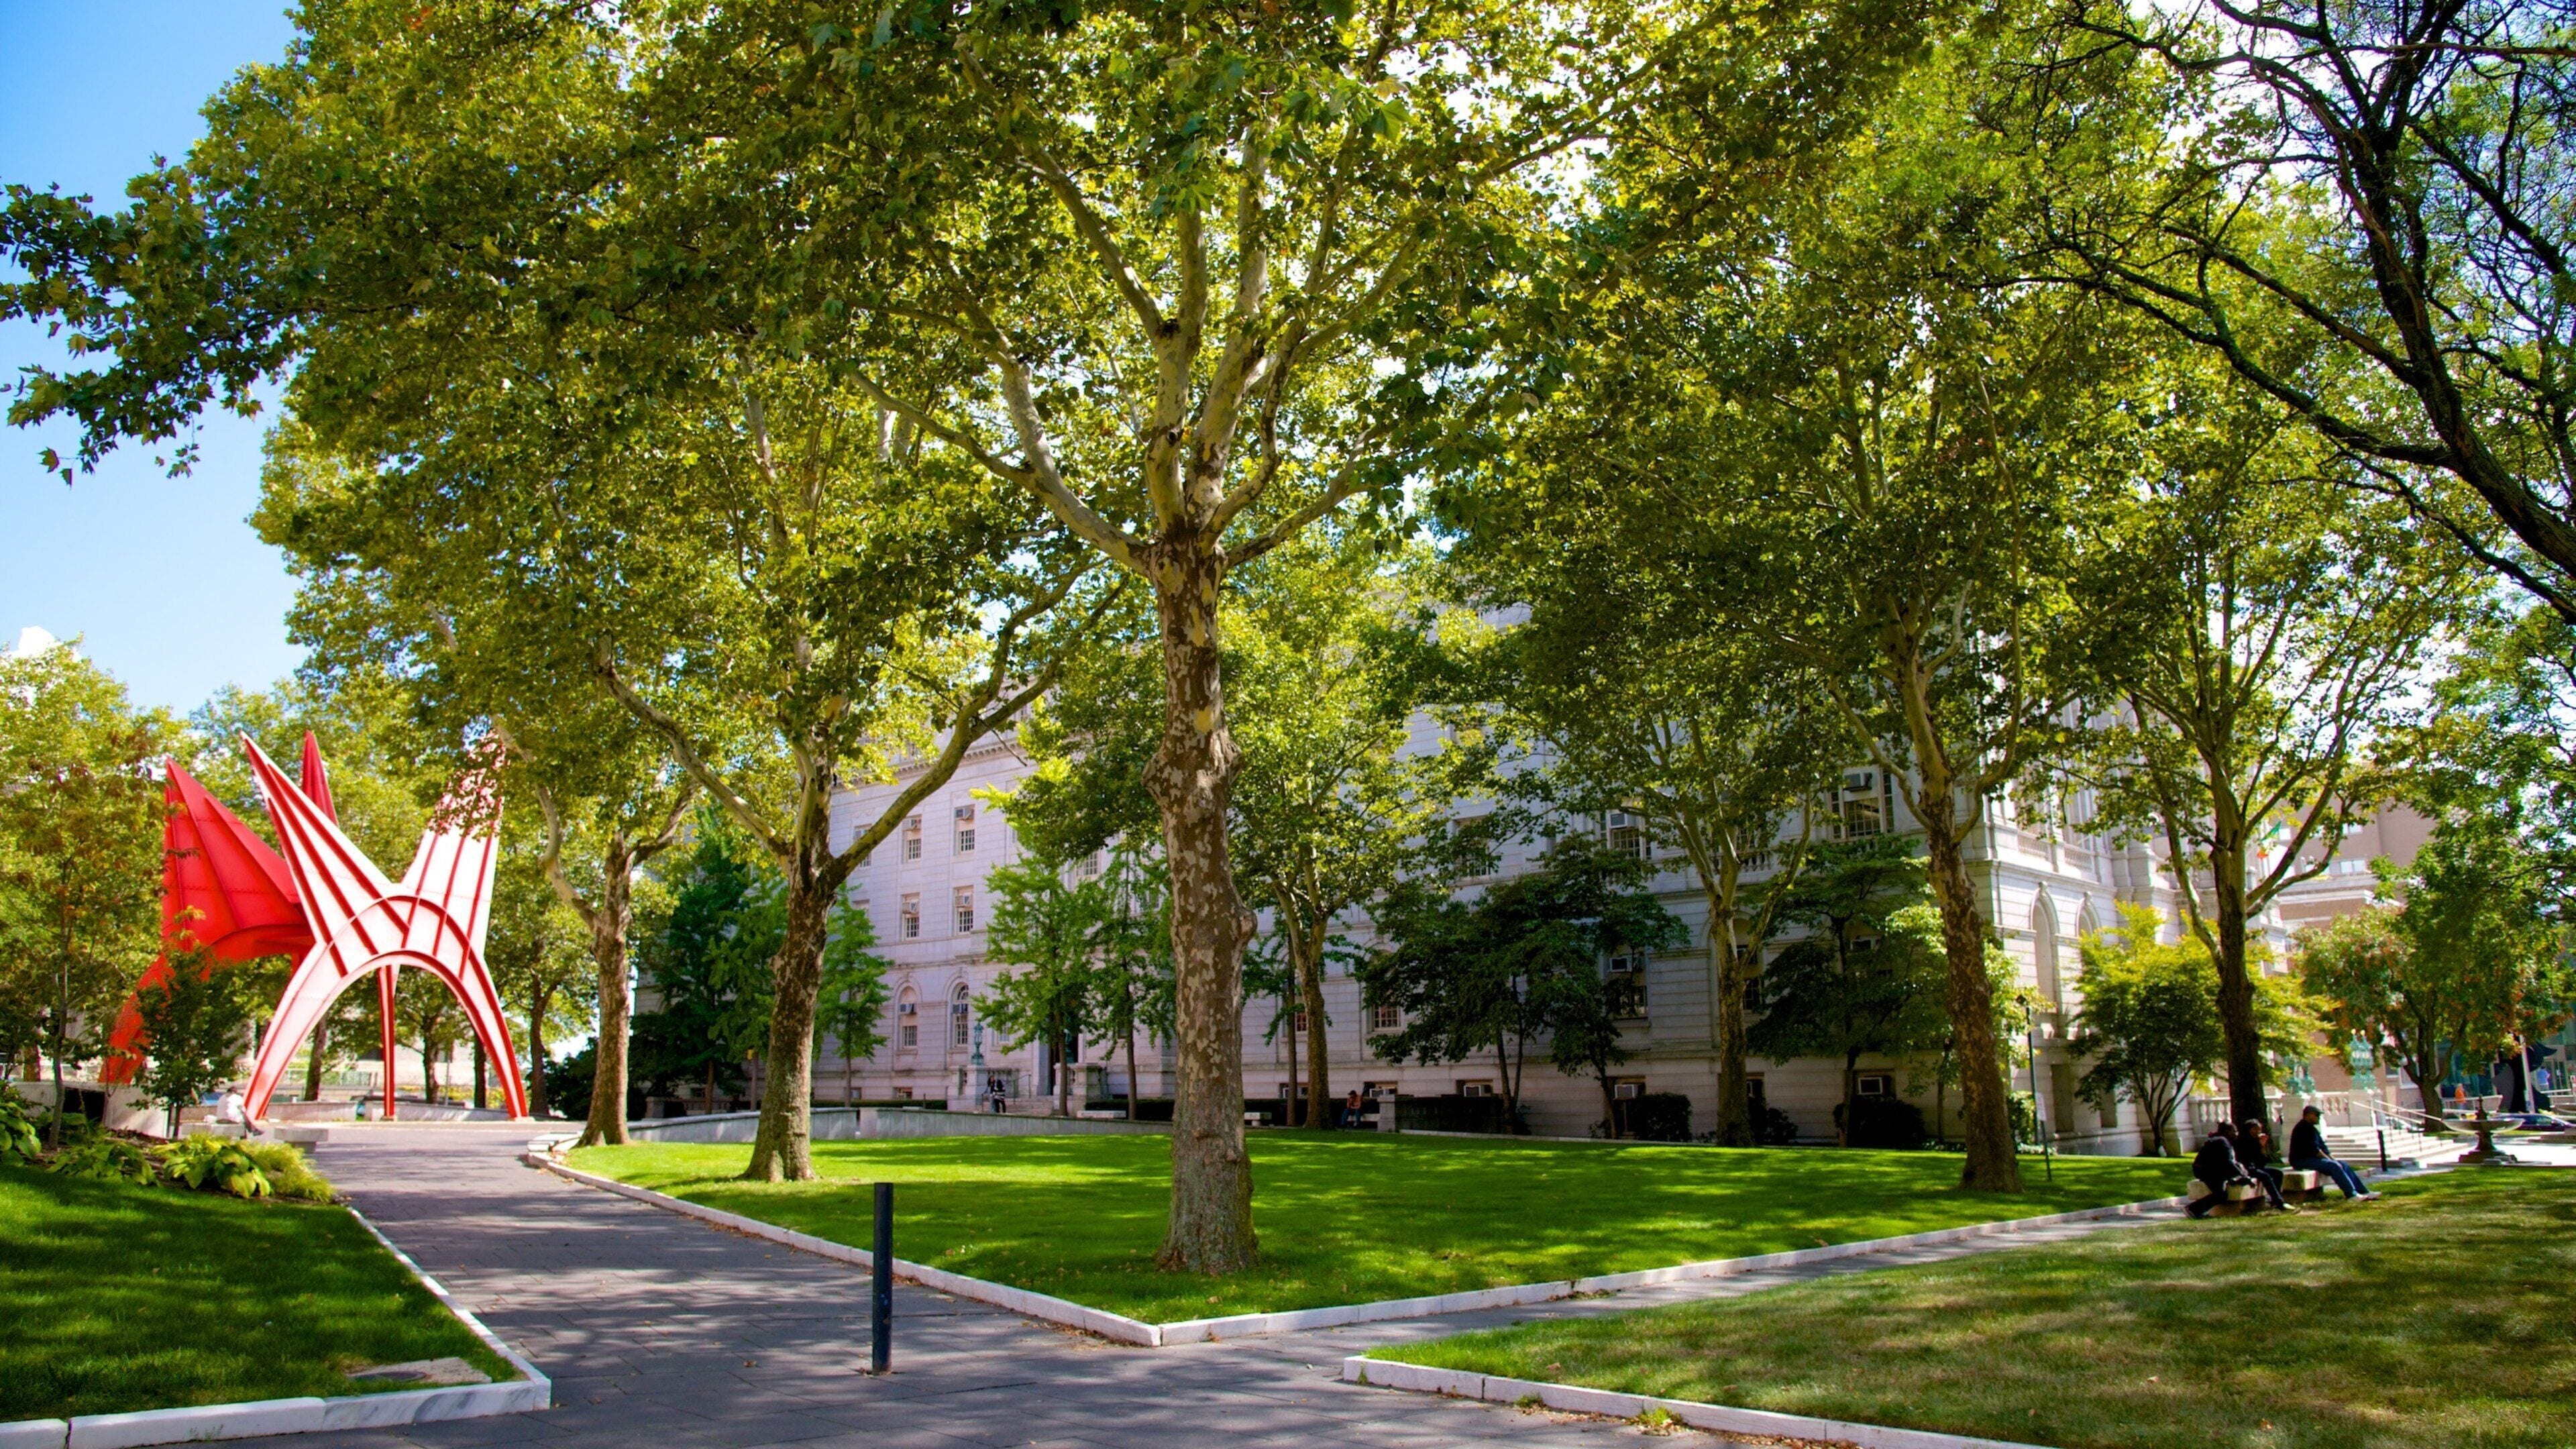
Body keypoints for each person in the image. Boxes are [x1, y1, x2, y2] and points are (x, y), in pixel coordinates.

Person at [2288, 1105, 2377, 1199]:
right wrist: (2332, 1162)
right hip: (2301, 1161)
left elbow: (2324, 1148)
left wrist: (2335, 1160)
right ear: (2309, 1115)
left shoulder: (2312, 1129)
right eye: (2317, 1115)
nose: (2319, 1118)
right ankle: (2351, 1195)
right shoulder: (2302, 1129)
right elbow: (2315, 1150)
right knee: (2334, 1166)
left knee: (2343, 1164)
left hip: (2313, 1159)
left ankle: (2364, 1192)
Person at [2188, 1126, 2258, 1218]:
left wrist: (2238, 1176)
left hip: (2212, 1171)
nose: (2237, 1134)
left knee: (2222, 1194)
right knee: (2221, 1195)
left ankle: (2195, 1210)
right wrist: (2242, 1175)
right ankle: (2193, 1209)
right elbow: (2228, 1162)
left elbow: (2224, 1163)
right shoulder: (2222, 1142)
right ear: (2227, 1132)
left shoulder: (2222, 1141)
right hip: (2206, 1171)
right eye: (2234, 1131)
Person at [2235, 1120, 2296, 1211]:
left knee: (2278, 1173)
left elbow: (2262, 1163)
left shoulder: (2257, 1141)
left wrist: (2263, 1146)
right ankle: (2279, 1203)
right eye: (2255, 1129)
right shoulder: (2242, 1141)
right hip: (2245, 1169)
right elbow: (2246, 1160)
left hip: (2255, 1167)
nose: (2257, 1132)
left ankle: (2274, 1202)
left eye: (2259, 1130)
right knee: (2266, 1176)